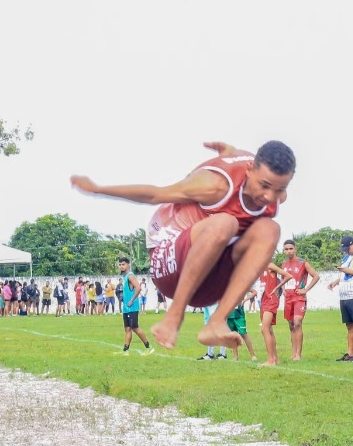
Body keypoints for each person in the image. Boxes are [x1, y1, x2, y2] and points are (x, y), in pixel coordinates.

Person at [71, 140, 293, 352]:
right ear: (249, 171)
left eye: (279, 189)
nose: (269, 196)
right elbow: (154, 194)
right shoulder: (214, 185)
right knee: (226, 223)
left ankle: (216, 323)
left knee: (270, 229)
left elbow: (240, 156)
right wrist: (99, 189)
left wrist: (229, 150)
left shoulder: (272, 193)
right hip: (170, 268)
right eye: (264, 185)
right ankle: (174, 316)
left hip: (211, 281)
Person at [278, 238, 319, 361]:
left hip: (299, 297)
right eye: (286, 249)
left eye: (291, 249)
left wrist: (305, 289)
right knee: (291, 325)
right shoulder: (283, 264)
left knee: (297, 322)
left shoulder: (303, 262)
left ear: (295, 249)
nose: (289, 251)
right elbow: (282, 278)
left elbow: (316, 276)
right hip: (288, 298)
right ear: (283, 251)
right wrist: (284, 289)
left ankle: (298, 354)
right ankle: (293, 352)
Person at [331, 234, 353, 361]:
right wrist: (336, 281)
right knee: (350, 326)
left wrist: (347, 271)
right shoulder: (346, 258)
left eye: (347, 248)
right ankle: (350, 354)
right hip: (344, 295)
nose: (346, 251)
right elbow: (344, 275)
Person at [117, 254, 151, 353]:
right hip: (126, 308)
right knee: (127, 329)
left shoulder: (130, 276)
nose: (121, 266)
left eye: (123, 264)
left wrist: (131, 300)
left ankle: (149, 348)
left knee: (135, 328)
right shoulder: (125, 277)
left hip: (132, 308)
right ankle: (125, 350)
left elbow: (138, 288)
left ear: (128, 265)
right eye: (120, 264)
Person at [256, 259, 281, 365]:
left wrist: (277, 288)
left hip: (271, 301)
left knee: (264, 329)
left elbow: (287, 275)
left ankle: (270, 360)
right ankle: (275, 359)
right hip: (264, 301)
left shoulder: (270, 265)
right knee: (269, 330)